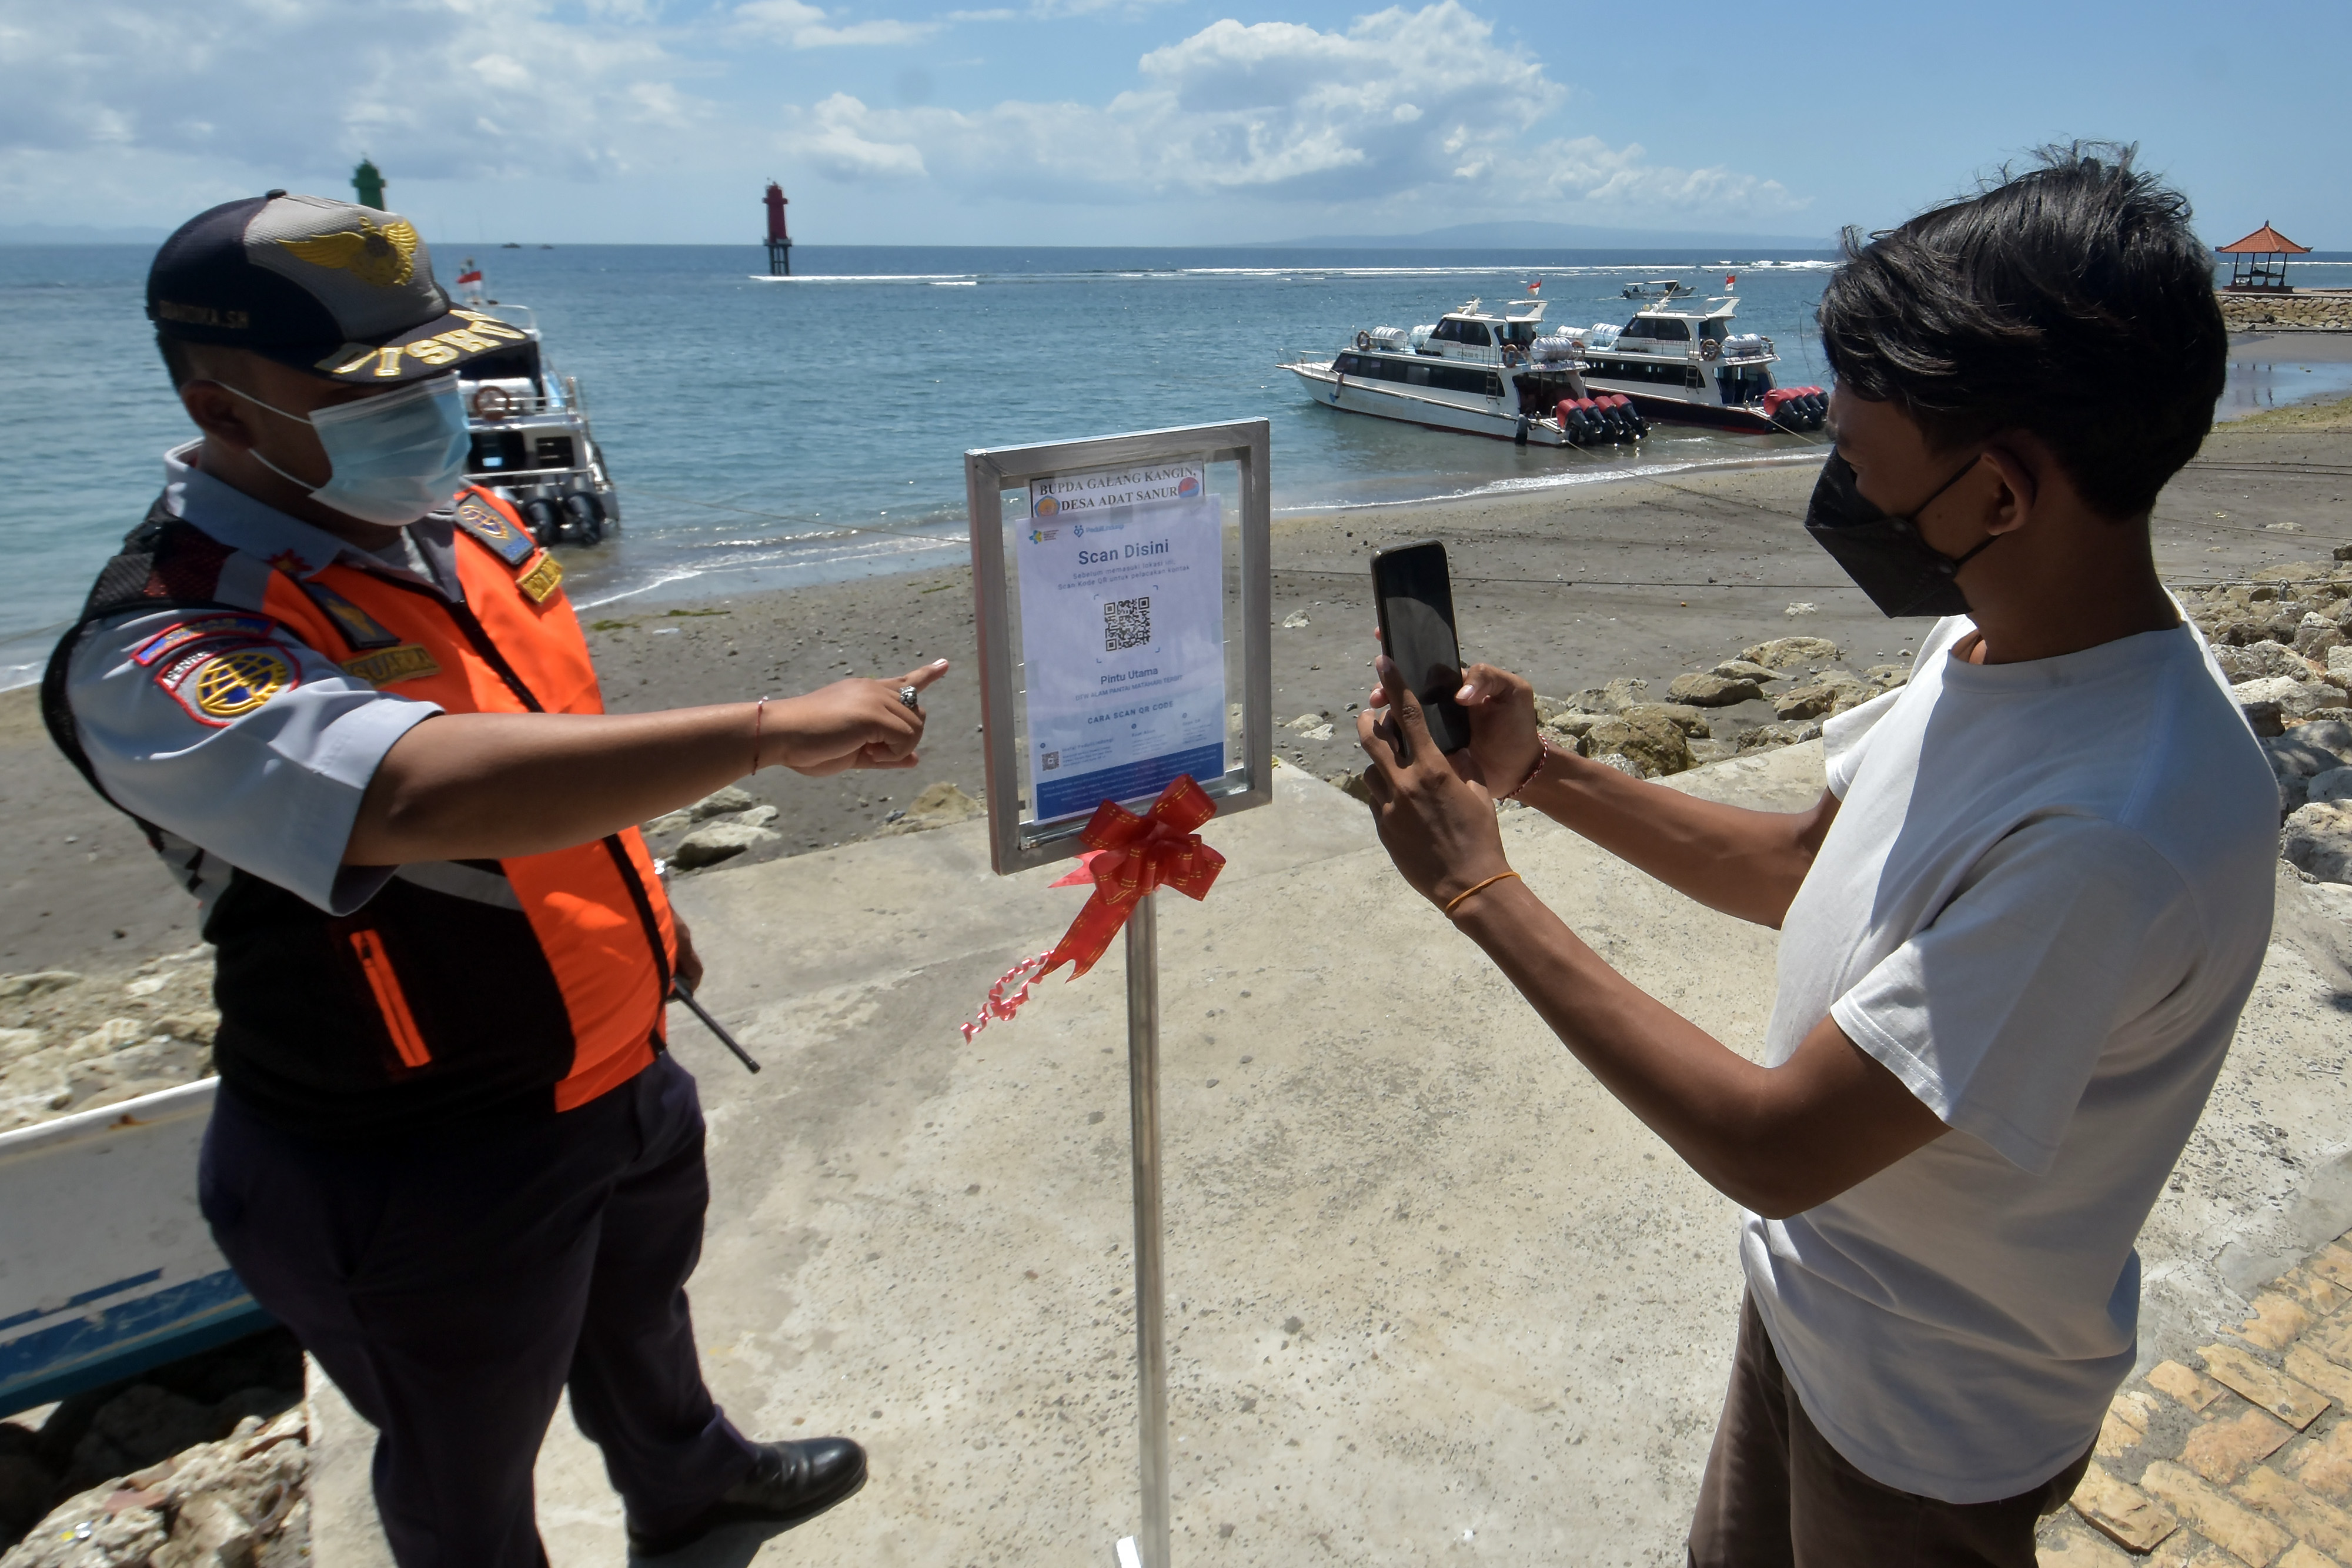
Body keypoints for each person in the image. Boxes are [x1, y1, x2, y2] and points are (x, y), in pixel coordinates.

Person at [1352, 145, 2275, 1565]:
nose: (1835, 474)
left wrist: (1478, 889)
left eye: (1858, 454)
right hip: (1817, 1309)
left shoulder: (2112, 830)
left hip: (1927, 1420)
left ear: (2003, 490)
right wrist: (1537, 776)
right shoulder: (1990, 644)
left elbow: (1775, 1142)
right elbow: (1803, 863)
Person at [43, 190, 947, 1567]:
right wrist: (762, 730)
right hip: (410, 1139)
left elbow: (551, 747)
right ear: (223, 409)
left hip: (608, 1048)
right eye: (372, 390)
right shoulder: (166, 636)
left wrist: (645, 909)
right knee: (465, 1454)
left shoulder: (454, 525)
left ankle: (689, 1479)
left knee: (644, 1307)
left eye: (441, 368)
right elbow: (406, 787)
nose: (435, 407)